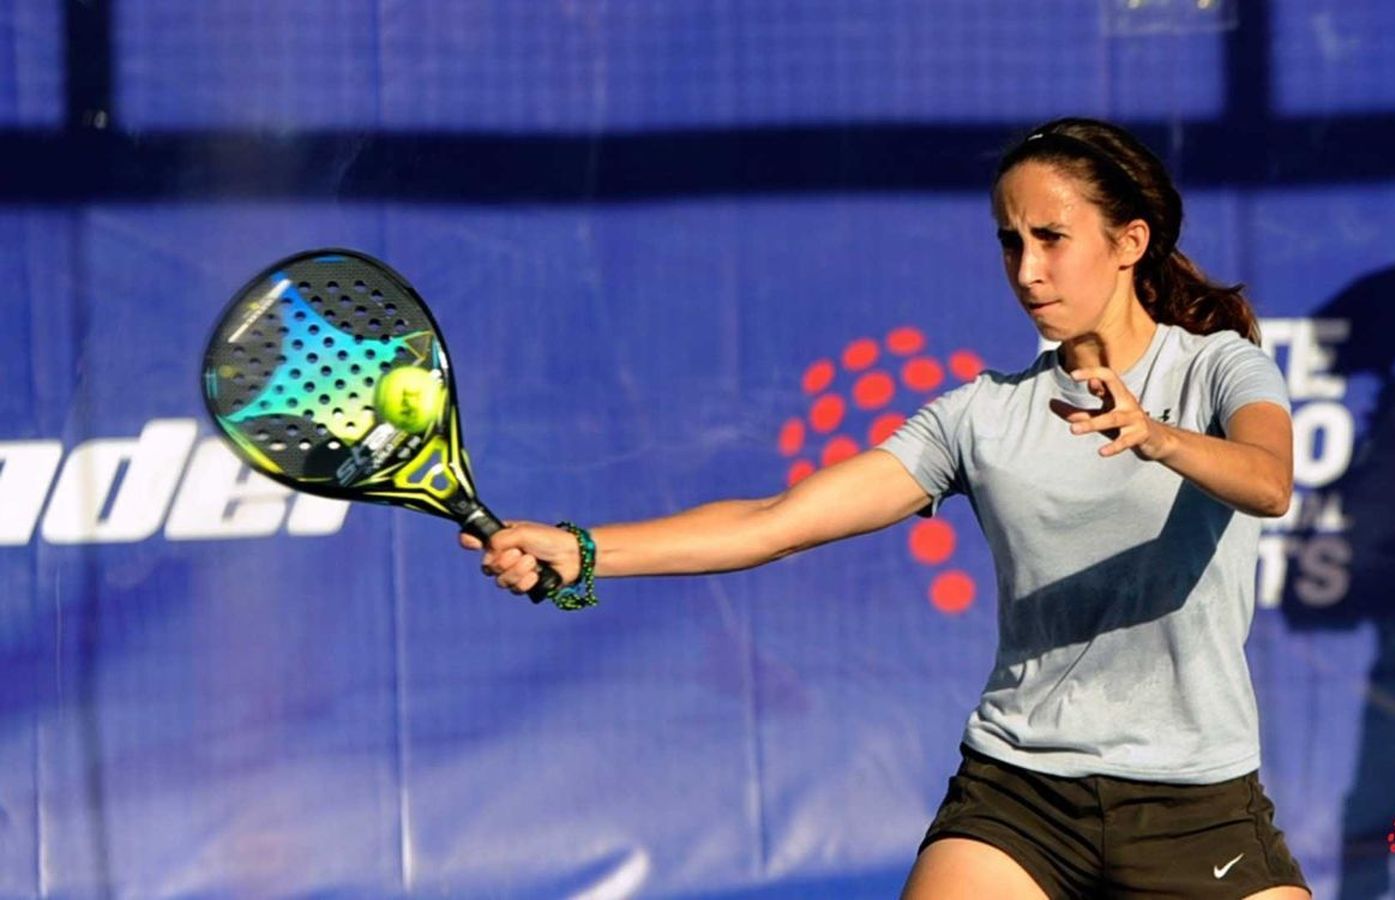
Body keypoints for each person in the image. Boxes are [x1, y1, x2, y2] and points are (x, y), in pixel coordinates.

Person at [461, 117, 1311, 899]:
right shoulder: (979, 415)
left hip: (1194, 804)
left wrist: (1158, 436)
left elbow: (1268, 481)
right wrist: (584, 550)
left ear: (1130, 242)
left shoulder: (1220, 369)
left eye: (1051, 238)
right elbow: (775, 521)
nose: (1027, 270)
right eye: (1010, 241)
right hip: (1019, 796)